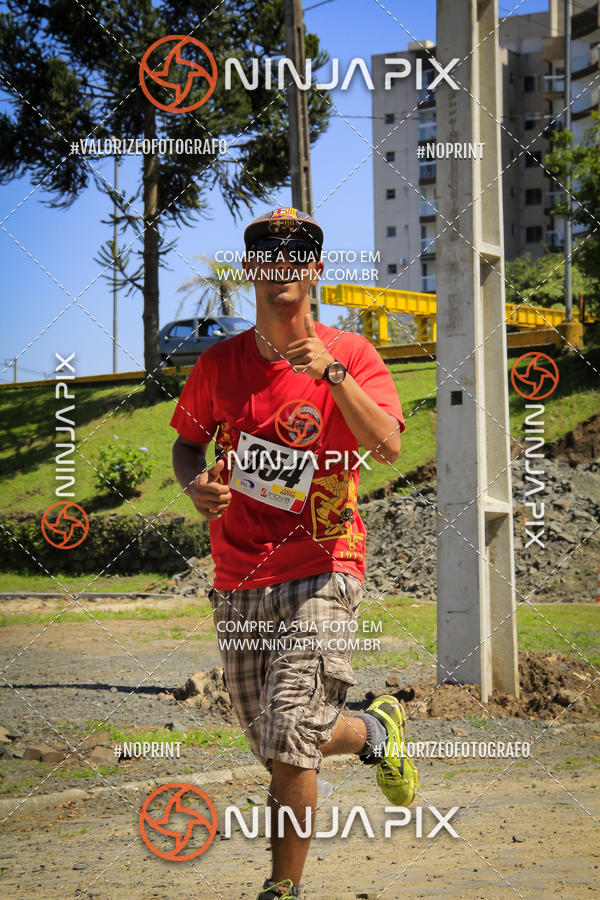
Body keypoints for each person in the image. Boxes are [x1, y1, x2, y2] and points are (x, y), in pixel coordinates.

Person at [170, 208, 418, 900]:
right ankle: (374, 729)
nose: (284, 268)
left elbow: (389, 446)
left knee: (288, 734)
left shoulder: (354, 354)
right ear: (253, 270)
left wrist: (334, 374)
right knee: (273, 736)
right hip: (239, 574)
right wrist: (197, 485)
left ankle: (283, 889)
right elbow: (188, 442)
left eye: (299, 256)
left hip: (325, 566)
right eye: (269, 256)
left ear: (313, 271)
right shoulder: (220, 364)